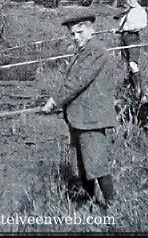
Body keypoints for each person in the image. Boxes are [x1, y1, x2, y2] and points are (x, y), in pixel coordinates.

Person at [42, 13, 117, 205]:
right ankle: (89, 201)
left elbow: (76, 82)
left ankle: (113, 205)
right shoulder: (85, 50)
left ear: (91, 30)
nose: (76, 37)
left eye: (80, 32)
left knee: (97, 163)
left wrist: (54, 101)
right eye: (72, 34)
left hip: (91, 118)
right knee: (84, 164)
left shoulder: (96, 51)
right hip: (81, 117)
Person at [112, 0, 147, 98]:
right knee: (125, 65)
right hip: (124, 39)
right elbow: (121, 25)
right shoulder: (127, 11)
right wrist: (117, 29)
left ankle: (139, 89)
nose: (128, 1)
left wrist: (127, 28)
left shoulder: (140, 11)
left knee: (133, 64)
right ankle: (129, 89)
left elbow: (142, 24)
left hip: (133, 38)